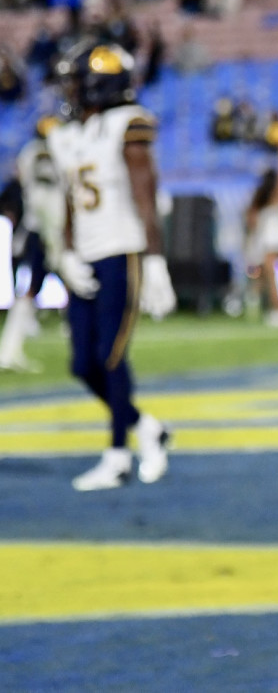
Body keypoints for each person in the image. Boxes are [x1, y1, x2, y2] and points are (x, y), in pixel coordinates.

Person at [45, 40, 176, 491]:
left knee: (111, 355)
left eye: (78, 80)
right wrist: (65, 251)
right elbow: (69, 200)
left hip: (123, 250)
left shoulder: (127, 123)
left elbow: (146, 195)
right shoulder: (67, 135)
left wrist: (156, 260)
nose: (70, 89)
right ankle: (146, 427)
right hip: (86, 256)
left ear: (100, 83)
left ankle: (118, 455)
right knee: (83, 365)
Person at [0, 117, 66, 372]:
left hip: (39, 227)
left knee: (34, 289)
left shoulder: (29, 153)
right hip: (49, 229)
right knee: (71, 285)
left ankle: (9, 349)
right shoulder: (51, 153)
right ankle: (9, 349)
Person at [244, 131, 278, 327]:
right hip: (273, 239)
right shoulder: (270, 199)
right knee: (269, 278)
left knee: (271, 278)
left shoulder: (261, 201)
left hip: (268, 241)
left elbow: (251, 223)